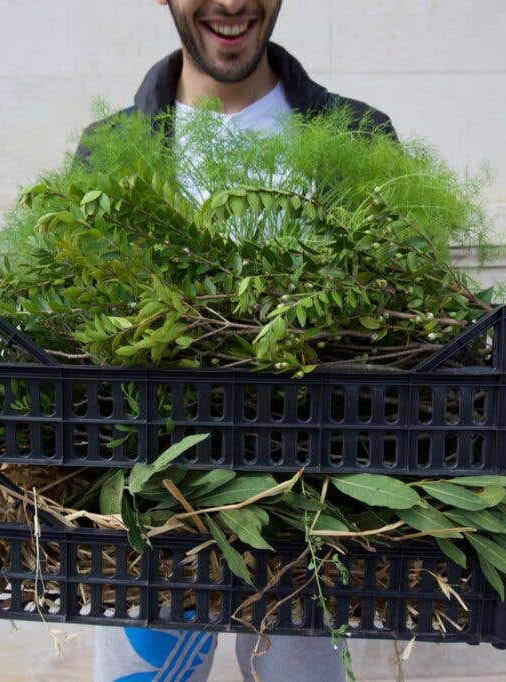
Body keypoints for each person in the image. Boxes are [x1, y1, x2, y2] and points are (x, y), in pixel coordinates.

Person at [87, 2, 398, 680]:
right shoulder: (111, 148)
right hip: (158, 511)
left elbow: (398, 319)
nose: (231, 3)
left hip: (308, 510)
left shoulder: (357, 137)